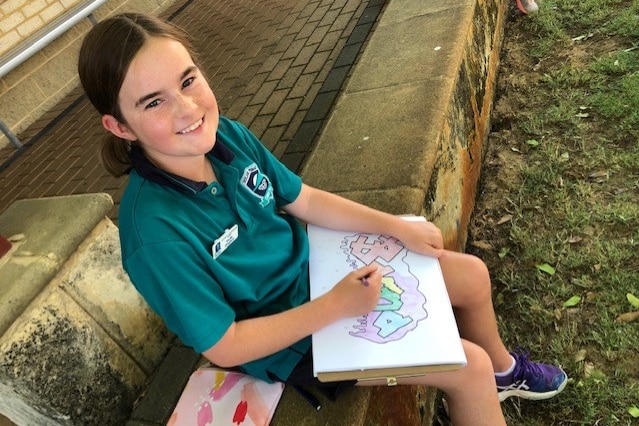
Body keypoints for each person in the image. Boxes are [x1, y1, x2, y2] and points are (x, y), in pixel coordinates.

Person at [78, 13, 566, 425]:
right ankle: (486, 381)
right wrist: (335, 306)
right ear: (120, 126)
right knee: (468, 366)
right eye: (154, 102)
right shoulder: (153, 234)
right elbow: (225, 345)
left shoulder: (228, 136)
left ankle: (506, 376)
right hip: (289, 339)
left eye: (187, 80)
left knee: (471, 275)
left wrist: (395, 226)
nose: (187, 107)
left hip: (321, 275)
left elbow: (303, 198)